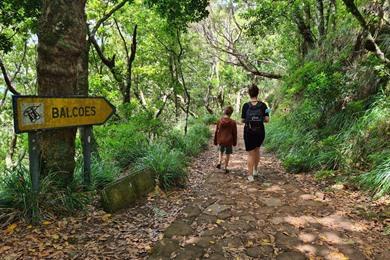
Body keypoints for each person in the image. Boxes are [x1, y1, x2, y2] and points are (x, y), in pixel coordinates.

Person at [241, 84, 270, 182]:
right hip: (260, 131)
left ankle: (250, 176)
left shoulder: (245, 106)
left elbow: (242, 120)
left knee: (250, 154)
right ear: (258, 93)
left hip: (249, 132)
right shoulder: (263, 105)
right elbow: (267, 120)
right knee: (257, 150)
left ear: (249, 93)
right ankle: (255, 170)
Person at [214, 106, 237, 174]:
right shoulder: (233, 122)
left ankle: (219, 162)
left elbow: (216, 131)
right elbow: (234, 133)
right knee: (227, 154)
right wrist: (234, 142)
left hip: (221, 140)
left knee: (220, 152)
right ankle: (225, 167)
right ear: (231, 113)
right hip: (229, 141)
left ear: (224, 112)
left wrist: (215, 141)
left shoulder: (219, 121)